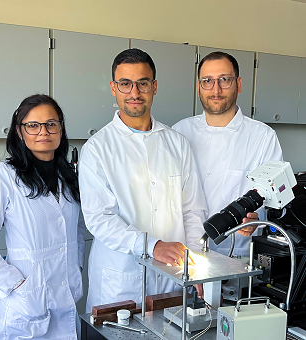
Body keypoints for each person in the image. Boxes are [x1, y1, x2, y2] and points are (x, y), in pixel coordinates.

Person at [79, 48, 207, 312]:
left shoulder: (177, 144)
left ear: (154, 87)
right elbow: (99, 218)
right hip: (120, 279)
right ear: (114, 88)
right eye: (125, 84)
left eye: (143, 83)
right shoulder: (97, 148)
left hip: (173, 277)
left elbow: (193, 210)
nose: (134, 93)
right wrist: (152, 246)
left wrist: (194, 265)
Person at [0, 94, 85, 340]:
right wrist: (18, 285)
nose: (44, 132)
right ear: (20, 132)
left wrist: (77, 266)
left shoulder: (69, 176)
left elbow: (78, 230)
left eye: (51, 123)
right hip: (26, 305)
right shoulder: (4, 176)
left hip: (67, 296)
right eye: (33, 125)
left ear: (61, 128)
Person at [173, 51, 283, 257]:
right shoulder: (179, 132)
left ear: (239, 84)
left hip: (237, 255)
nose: (216, 89)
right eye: (207, 81)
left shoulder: (262, 136)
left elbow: (273, 198)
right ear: (198, 87)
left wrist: (255, 219)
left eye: (224, 80)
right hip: (185, 252)